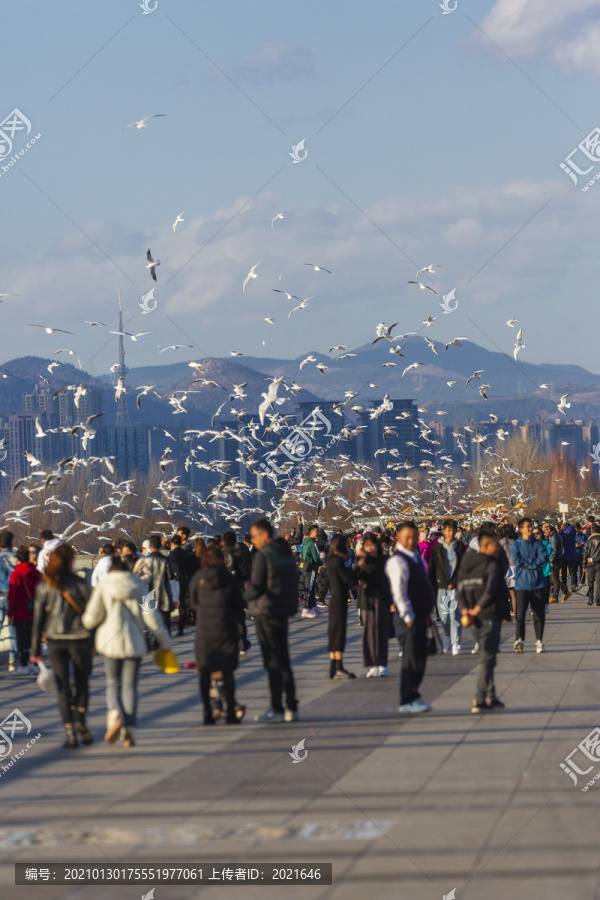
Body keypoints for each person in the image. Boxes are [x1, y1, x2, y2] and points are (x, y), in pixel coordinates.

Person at [82, 556, 171, 746]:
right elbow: (152, 617)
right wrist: (164, 642)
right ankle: (128, 730)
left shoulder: (103, 585)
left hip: (109, 644)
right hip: (134, 643)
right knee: (130, 686)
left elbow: (90, 619)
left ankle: (115, 715)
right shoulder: (138, 584)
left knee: (113, 683)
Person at [30, 545, 93, 748]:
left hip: (55, 640)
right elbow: (92, 615)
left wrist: (35, 649)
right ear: (71, 561)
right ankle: (81, 721)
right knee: (82, 682)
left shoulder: (44, 585)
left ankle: (69, 733)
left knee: (63, 686)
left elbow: (38, 619)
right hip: (80, 638)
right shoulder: (81, 583)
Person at [245, 518, 299, 723]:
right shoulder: (285, 553)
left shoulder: (263, 555)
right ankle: (291, 706)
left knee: (272, 661)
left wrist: (239, 597)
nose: (252, 540)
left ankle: (276, 707)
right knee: (284, 659)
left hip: (266, 612)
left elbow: (257, 586)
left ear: (264, 535)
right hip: (283, 611)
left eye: (254, 536)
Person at [189, 544, 246, 725]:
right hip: (226, 629)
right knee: (227, 672)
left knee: (205, 672)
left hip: (205, 631)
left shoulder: (199, 578)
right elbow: (239, 604)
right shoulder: (229, 578)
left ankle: (207, 712)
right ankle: (230, 711)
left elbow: (193, 603)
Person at [456, 525, 511, 713]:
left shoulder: (465, 563)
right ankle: (479, 698)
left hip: (471, 618)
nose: (498, 549)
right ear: (486, 546)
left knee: (488, 656)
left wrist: (465, 611)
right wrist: (477, 608)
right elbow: (490, 591)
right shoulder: (492, 564)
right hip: (488, 615)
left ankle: (491, 694)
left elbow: (459, 591)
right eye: (495, 546)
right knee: (487, 658)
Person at [386, 521, 436, 715]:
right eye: (407, 537)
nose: (412, 540)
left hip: (420, 616)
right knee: (410, 659)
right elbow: (399, 593)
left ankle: (414, 695)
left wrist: (426, 614)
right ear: (398, 536)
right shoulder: (397, 560)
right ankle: (406, 698)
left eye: (414, 536)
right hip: (409, 618)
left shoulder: (414, 556)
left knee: (419, 658)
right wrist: (408, 617)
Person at [356, 533, 392, 677]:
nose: (370, 548)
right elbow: (355, 577)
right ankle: (371, 664)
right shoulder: (361, 560)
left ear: (377, 545)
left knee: (381, 632)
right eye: (367, 546)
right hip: (367, 599)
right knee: (369, 633)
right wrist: (360, 566)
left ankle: (382, 664)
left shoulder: (384, 559)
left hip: (382, 598)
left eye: (372, 545)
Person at [428, 519, 465, 655]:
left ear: (456, 531)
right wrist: (430, 586)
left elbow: (463, 568)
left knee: (455, 615)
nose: (450, 533)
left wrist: (454, 582)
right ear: (443, 531)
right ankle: (447, 637)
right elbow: (433, 568)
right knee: (444, 617)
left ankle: (456, 643)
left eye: (453, 530)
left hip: (455, 587)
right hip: (441, 586)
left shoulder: (460, 547)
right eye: (448, 530)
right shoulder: (437, 548)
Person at [512, 518, 549, 653]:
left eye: (530, 527)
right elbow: (517, 560)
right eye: (527, 527)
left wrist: (529, 564)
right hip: (522, 584)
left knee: (539, 615)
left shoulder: (538, 544)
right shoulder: (516, 545)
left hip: (538, 583)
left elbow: (543, 559)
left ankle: (539, 641)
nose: (529, 529)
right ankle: (519, 639)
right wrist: (533, 564)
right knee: (520, 614)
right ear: (520, 529)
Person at [325, 534, 356, 680]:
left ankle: (333, 665)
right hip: (339, 600)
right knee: (339, 632)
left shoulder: (330, 560)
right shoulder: (338, 561)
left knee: (334, 632)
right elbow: (347, 579)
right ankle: (339, 666)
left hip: (334, 599)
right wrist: (359, 569)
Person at [7, 546, 41, 675]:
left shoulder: (16, 574)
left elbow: (12, 596)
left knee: (23, 640)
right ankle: (37, 665)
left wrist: (10, 613)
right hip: (36, 612)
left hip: (21, 613)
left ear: (17, 559)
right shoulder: (37, 573)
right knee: (35, 639)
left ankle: (23, 665)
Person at [139, 535, 173, 634]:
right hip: (164, 592)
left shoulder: (145, 560)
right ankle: (167, 633)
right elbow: (170, 576)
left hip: (150, 592)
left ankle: (154, 636)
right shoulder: (165, 559)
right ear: (160, 545)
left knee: (152, 616)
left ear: (150, 545)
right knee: (165, 616)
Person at [0, 530, 17, 673]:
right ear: (11, 543)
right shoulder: (16, 558)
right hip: (12, 597)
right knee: (12, 629)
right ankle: (12, 660)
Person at [169, 534, 191, 637]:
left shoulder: (172, 554)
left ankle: (170, 627)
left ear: (172, 543)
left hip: (176, 580)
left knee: (174, 603)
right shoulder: (184, 552)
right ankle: (181, 627)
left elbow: (173, 567)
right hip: (185, 579)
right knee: (182, 603)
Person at [301, 525, 321, 618]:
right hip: (311, 567)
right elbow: (316, 557)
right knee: (309, 588)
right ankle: (305, 609)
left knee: (311, 588)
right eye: (317, 532)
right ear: (311, 532)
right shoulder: (312, 543)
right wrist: (321, 563)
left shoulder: (305, 542)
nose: (318, 533)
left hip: (306, 566)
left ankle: (314, 607)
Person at [498, 523, 517, 618]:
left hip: (504, 568)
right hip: (515, 568)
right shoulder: (516, 542)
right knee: (514, 593)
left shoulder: (500, 542)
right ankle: (516, 614)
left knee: (503, 593)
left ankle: (505, 613)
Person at [544, 522, 564, 603]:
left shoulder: (554, 537)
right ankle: (565, 590)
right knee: (552, 578)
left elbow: (554, 550)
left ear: (549, 529)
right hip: (556, 559)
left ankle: (555, 596)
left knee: (554, 578)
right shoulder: (553, 536)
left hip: (555, 560)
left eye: (545, 530)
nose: (545, 532)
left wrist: (551, 560)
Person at [583, 525, 600, 606]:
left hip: (590, 565)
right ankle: (598, 599)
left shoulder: (588, 541)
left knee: (590, 582)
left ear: (592, 532)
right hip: (599, 564)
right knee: (598, 582)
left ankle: (590, 599)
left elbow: (585, 554)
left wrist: (583, 566)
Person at [560, 522, 577, 596]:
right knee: (572, 571)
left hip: (564, 556)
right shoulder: (573, 531)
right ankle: (573, 584)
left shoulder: (562, 533)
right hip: (572, 554)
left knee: (564, 572)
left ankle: (564, 585)